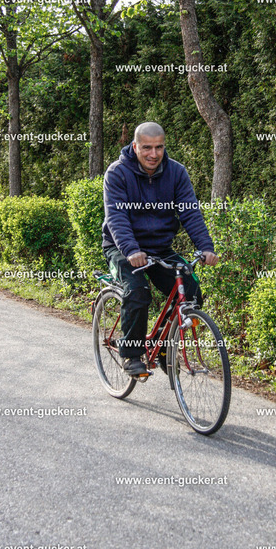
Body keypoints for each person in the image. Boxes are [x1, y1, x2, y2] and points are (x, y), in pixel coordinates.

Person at [102, 122, 218, 376]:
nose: (153, 154)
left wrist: (205, 247)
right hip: (122, 248)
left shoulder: (176, 172)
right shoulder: (117, 173)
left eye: (159, 147)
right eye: (147, 148)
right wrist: (131, 250)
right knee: (138, 291)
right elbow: (116, 217)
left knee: (191, 292)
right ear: (135, 147)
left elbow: (190, 213)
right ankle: (131, 354)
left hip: (159, 247)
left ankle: (162, 345)